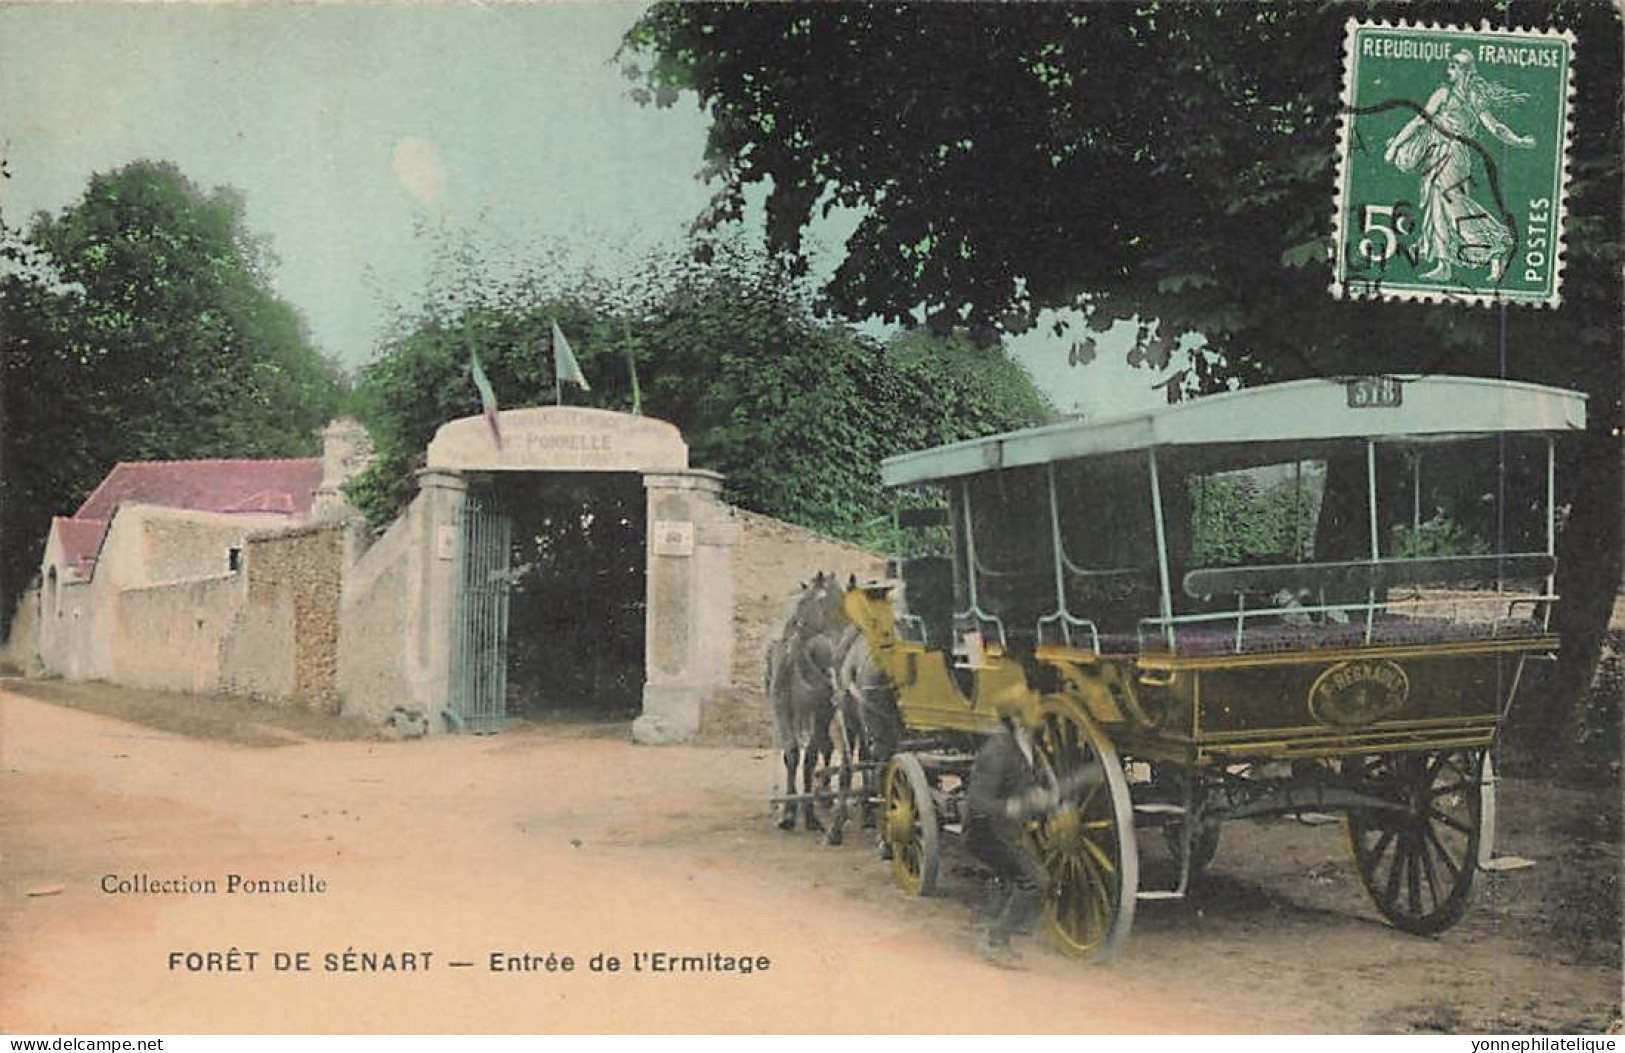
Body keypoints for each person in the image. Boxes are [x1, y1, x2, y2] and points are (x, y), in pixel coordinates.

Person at [1382, 50, 1535, 283]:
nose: (1448, 71)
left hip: (1451, 155)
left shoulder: (1452, 94)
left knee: (1454, 207)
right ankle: (1444, 265)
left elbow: (1420, 121)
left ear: (1463, 71)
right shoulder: (1464, 95)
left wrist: (1395, 147)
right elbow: (1495, 127)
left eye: (1453, 67)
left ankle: (1497, 247)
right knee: (1438, 207)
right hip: (1441, 154)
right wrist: (1518, 140)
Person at [964, 709, 1057, 967]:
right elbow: (977, 802)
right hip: (986, 833)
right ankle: (994, 941)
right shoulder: (997, 751)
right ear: (1017, 719)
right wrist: (1011, 807)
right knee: (1036, 880)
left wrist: (1039, 797)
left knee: (1019, 876)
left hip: (1008, 831)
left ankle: (996, 922)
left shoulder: (1029, 746)